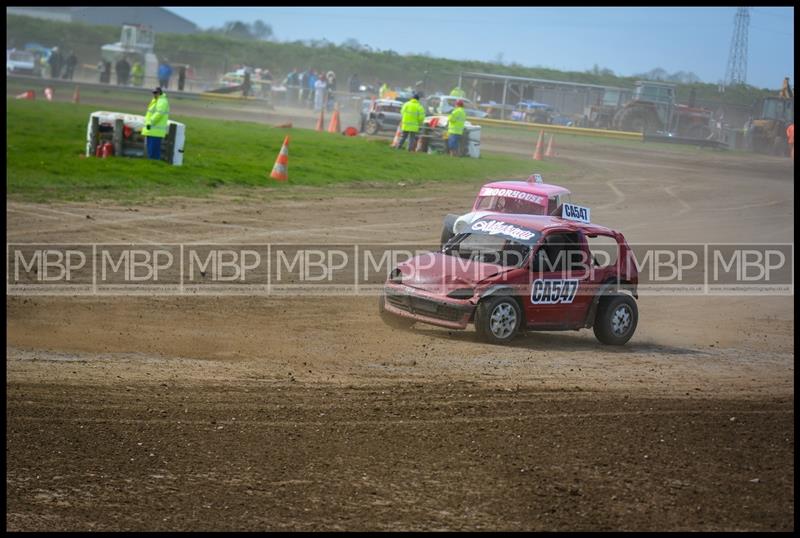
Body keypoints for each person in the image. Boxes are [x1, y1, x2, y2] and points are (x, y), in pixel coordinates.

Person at [142, 87, 170, 161]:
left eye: (156, 93)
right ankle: (153, 164)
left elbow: (159, 114)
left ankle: (154, 163)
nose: (154, 94)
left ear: (160, 93)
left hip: (155, 130)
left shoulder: (162, 101)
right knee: (151, 151)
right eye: (153, 93)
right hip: (152, 129)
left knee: (153, 152)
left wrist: (150, 122)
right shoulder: (156, 100)